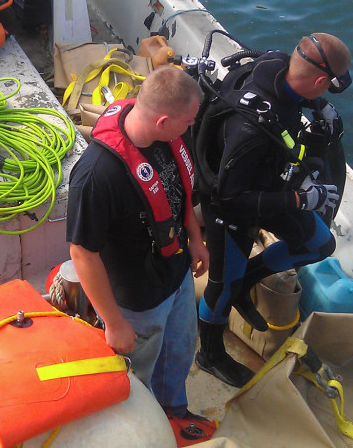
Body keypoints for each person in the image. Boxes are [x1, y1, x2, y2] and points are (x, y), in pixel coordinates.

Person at [66, 65, 216, 443]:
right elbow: (83, 252)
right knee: (136, 375)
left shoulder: (165, 138)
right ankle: (140, 433)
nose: (190, 129)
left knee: (181, 348)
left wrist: (196, 239)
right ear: (164, 120)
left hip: (177, 275)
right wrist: (114, 323)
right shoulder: (97, 176)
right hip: (137, 299)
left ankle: (174, 414)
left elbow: (180, 197)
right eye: (187, 122)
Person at [194, 33, 352, 387]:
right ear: (320, 80)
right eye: (329, 87)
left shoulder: (279, 64)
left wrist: (319, 105)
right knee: (222, 283)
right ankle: (211, 354)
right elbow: (230, 197)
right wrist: (300, 200)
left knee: (319, 244)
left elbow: (299, 95)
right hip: (229, 207)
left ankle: (246, 282)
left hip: (268, 186)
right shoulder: (252, 128)